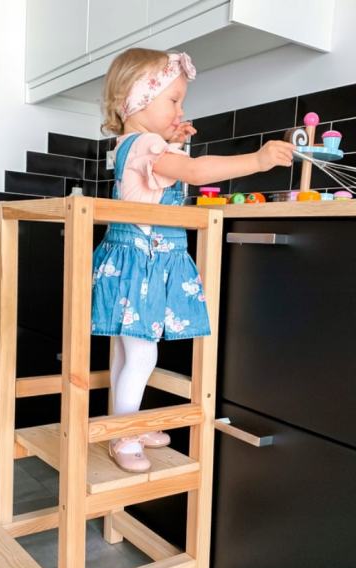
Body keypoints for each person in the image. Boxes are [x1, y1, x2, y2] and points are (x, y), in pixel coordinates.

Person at [92, 48, 295, 472]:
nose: (181, 109)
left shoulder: (134, 144)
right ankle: (124, 434)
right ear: (137, 99)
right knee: (141, 356)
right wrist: (257, 161)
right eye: (173, 100)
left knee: (127, 353)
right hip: (142, 262)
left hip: (135, 261)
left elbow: (159, 180)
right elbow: (198, 173)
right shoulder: (146, 144)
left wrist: (174, 143)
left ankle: (125, 423)